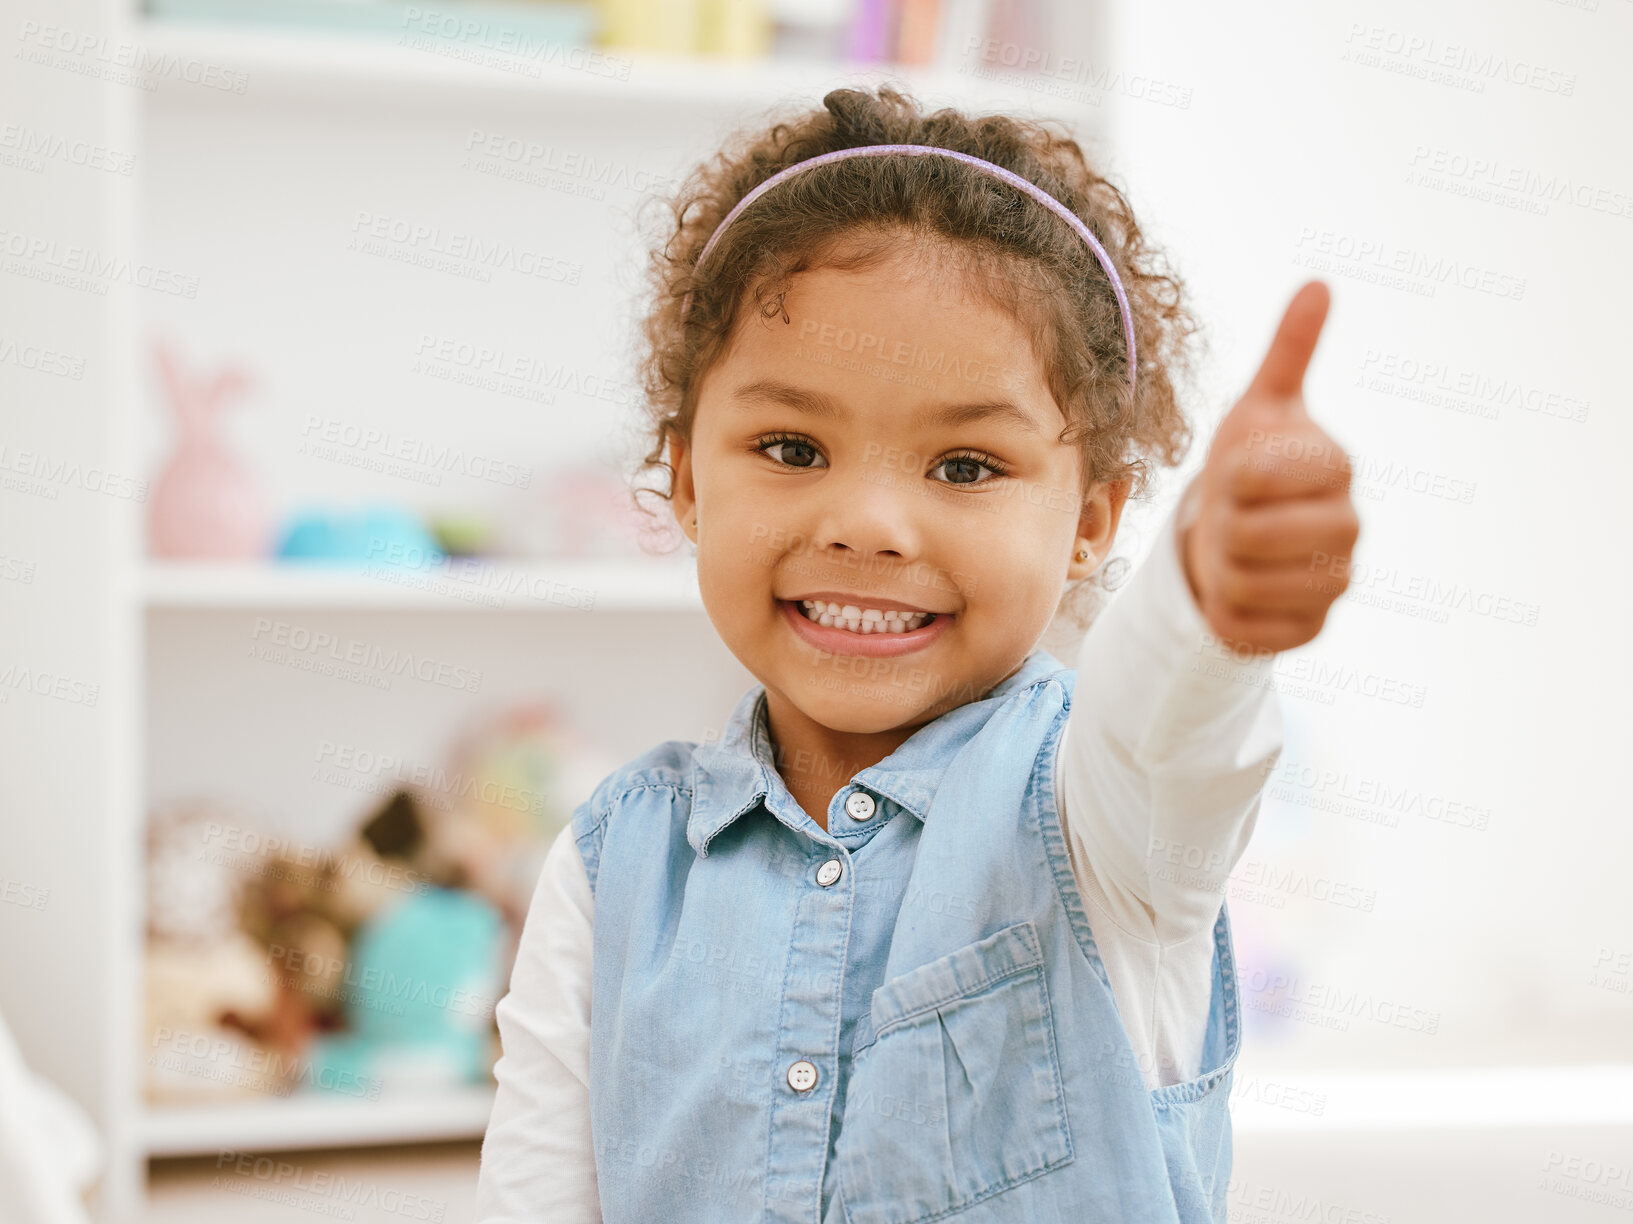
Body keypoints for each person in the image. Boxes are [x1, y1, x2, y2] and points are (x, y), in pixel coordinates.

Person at [474, 85, 1359, 1223]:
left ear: (1090, 520)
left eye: (964, 467)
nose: (868, 525)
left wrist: (1214, 592)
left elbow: (1175, 725)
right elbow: (536, 1189)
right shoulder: (611, 861)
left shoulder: (1105, 817)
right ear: (688, 479)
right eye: (791, 447)